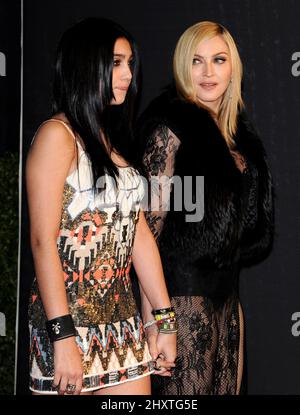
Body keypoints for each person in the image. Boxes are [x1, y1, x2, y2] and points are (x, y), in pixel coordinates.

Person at [26, 17, 176, 396]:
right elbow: (43, 242)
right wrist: (62, 336)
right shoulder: (55, 137)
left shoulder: (112, 138)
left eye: (129, 63)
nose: (128, 74)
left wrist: (163, 319)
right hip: (66, 324)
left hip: (123, 327)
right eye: (115, 62)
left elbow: (138, 232)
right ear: (85, 65)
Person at [136, 21, 274, 394]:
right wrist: (154, 322)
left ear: (234, 68)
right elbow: (143, 233)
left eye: (218, 59)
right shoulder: (169, 128)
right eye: (197, 61)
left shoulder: (240, 137)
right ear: (183, 66)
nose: (208, 72)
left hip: (227, 300)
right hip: (181, 301)